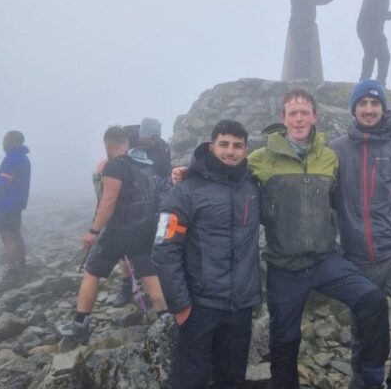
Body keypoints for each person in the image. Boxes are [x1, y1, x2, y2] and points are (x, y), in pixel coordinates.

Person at [248, 89, 389, 389]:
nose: (298, 118)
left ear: (315, 116)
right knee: (284, 341)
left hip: (325, 261)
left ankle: (370, 378)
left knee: (372, 301)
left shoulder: (329, 157)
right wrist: (187, 172)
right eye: (292, 113)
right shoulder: (260, 159)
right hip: (284, 267)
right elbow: (225, 174)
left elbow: (343, 202)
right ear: (282, 118)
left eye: (304, 112)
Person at [330, 80, 391, 389]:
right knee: (366, 327)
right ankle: (364, 380)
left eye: (375, 104)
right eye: (363, 104)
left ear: (383, 109)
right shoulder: (336, 149)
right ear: (354, 109)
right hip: (357, 257)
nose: (369, 110)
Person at [153, 120, 261, 389]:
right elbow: (165, 249)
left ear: (246, 151)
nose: (230, 151)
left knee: (231, 379)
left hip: (241, 307)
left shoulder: (253, 187)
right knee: (189, 380)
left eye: (237, 146)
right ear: (211, 147)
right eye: (223, 144)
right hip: (199, 306)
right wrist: (180, 305)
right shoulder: (186, 191)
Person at [59, 126, 167, 344]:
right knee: (149, 274)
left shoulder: (115, 166)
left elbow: (108, 201)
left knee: (92, 272)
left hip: (119, 231)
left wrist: (93, 232)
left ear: (107, 145)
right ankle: (167, 322)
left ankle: (80, 326)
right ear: (126, 143)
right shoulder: (143, 163)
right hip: (145, 230)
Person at [112, 117, 172, 308]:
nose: (153, 141)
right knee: (124, 247)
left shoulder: (162, 148)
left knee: (149, 244)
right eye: (150, 138)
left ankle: (152, 280)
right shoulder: (126, 138)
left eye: (156, 138)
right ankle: (126, 285)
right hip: (126, 199)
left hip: (150, 202)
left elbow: (164, 177)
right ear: (141, 135)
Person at [282, 0, 345, 82]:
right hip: (299, 25)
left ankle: (303, 79)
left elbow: (324, 0)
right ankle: (300, 80)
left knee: (305, 53)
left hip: (304, 26)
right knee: (303, 53)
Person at [0, 131, 31, 280]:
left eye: (5, 140)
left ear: (14, 141)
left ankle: (11, 270)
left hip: (7, 203)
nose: (3, 142)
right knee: (16, 233)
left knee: (8, 236)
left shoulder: (12, 159)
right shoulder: (22, 158)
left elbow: (3, 182)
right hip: (16, 203)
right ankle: (22, 263)